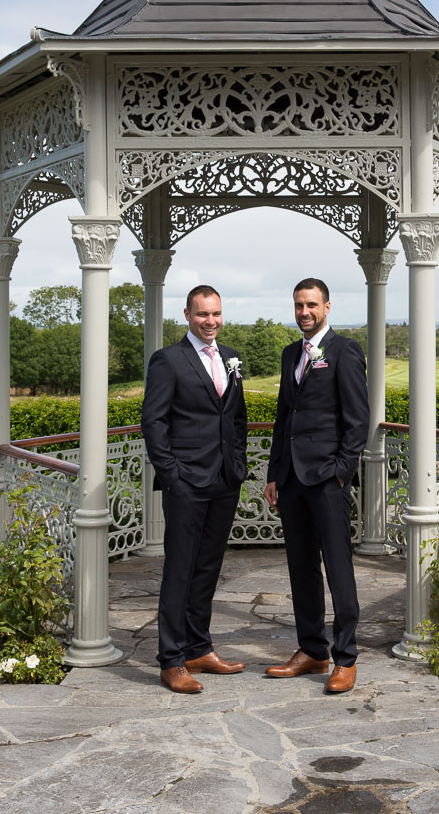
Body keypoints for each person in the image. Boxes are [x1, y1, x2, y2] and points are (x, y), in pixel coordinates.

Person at [263, 278, 370, 693]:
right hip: (291, 480)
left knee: (338, 568)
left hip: (327, 478)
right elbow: (283, 419)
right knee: (301, 568)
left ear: (327, 307)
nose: (304, 312)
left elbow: (357, 419)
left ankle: (345, 658)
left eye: (311, 305)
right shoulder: (292, 352)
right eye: (298, 305)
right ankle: (312, 650)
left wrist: (342, 471)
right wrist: (274, 473)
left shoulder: (345, 351)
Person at [141, 284, 248, 693]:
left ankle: (198, 647)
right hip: (185, 483)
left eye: (216, 314)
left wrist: (236, 464)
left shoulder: (230, 357)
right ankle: (170, 659)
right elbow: (154, 422)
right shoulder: (168, 360)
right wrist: (172, 476)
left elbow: (236, 417)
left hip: (224, 481)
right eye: (203, 314)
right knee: (179, 569)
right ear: (187, 314)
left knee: (208, 568)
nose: (211, 322)